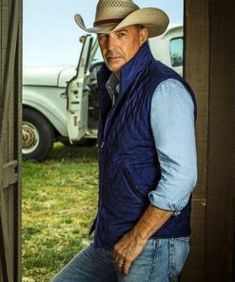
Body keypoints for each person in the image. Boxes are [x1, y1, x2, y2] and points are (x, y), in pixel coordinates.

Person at [52, 0, 197, 281]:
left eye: (120, 34)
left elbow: (182, 178)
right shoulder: (113, 84)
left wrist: (136, 237)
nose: (109, 46)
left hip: (152, 242)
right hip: (112, 235)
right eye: (103, 36)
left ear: (142, 35)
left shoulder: (164, 88)